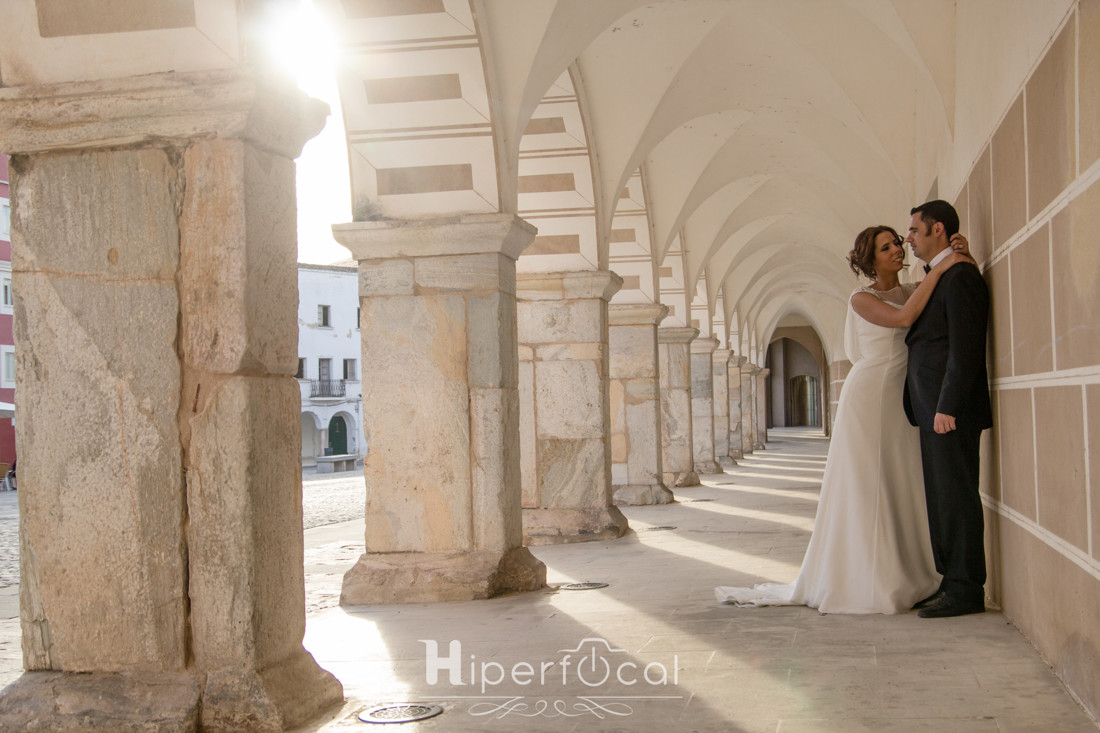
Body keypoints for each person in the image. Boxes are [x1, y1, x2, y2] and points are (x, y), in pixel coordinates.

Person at [715, 225, 971, 614]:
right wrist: (941, 267)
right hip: (869, 396)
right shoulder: (861, 298)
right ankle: (873, 577)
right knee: (870, 482)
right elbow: (904, 318)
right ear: (870, 261)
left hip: (902, 398)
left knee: (901, 480)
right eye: (886, 248)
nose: (897, 251)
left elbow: (931, 297)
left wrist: (956, 255)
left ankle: (914, 568)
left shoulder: (913, 287)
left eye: (897, 243)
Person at [903, 200, 992, 618]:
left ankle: (966, 590)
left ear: (938, 229)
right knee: (943, 499)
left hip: (947, 411)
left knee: (956, 499)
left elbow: (966, 347)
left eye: (915, 230)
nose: (909, 237)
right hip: (933, 409)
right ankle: (950, 581)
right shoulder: (945, 274)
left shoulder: (960, 277)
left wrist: (947, 405)